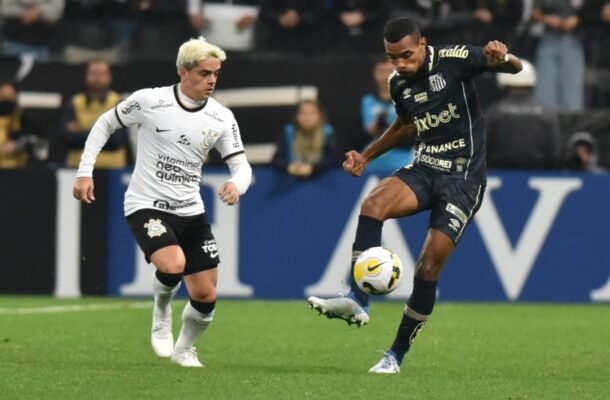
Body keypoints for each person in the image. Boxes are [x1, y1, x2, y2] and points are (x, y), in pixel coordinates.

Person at [307, 17, 522, 373]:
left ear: (423, 43)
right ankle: (358, 300)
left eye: (406, 55)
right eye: (392, 58)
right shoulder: (398, 83)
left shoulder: (455, 59)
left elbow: (513, 68)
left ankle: (395, 355)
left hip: (463, 177)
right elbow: (405, 125)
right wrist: (365, 155)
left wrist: (505, 57)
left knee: (428, 265)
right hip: (425, 166)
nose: (400, 64)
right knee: (373, 204)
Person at [73, 37, 253, 367]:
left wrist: (236, 184)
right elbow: (105, 123)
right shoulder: (149, 101)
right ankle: (160, 311)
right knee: (172, 264)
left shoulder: (221, 117)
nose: (212, 80)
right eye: (204, 73)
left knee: (205, 295)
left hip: (191, 210)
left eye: (216, 73)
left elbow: (242, 165)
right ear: (183, 72)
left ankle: (184, 349)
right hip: (146, 203)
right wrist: (85, 171)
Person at [485, 58, 563, 170]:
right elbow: (555, 153)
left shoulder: (494, 112)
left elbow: (480, 150)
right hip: (539, 177)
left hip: (500, 178)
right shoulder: (547, 113)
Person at [59, 60, 128, 169]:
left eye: (101, 74)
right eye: (93, 74)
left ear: (109, 77)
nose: (97, 78)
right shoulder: (75, 102)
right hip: (78, 170)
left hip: (112, 172)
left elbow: (116, 141)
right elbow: (67, 138)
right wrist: (106, 133)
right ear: (86, 76)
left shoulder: (119, 103)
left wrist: (81, 133)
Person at [360, 57, 413, 173]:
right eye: (381, 72)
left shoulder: (408, 98)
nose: (385, 77)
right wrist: (371, 130)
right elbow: (357, 136)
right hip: (375, 156)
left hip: (404, 155)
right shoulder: (367, 102)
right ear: (374, 73)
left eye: (389, 72)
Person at [531, 0, 585, 111]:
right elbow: (534, 13)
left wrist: (579, 19)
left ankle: (572, 125)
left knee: (571, 91)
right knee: (545, 89)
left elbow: (597, 11)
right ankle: (544, 121)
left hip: (574, 38)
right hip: (548, 38)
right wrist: (547, 18)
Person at [272, 99, 338, 178]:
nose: (307, 118)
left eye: (312, 113)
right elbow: (277, 159)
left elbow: (333, 159)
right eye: (303, 113)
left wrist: (313, 169)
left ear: (320, 115)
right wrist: (288, 167)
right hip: (291, 180)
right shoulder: (289, 132)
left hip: (320, 180)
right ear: (297, 116)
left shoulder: (327, 132)